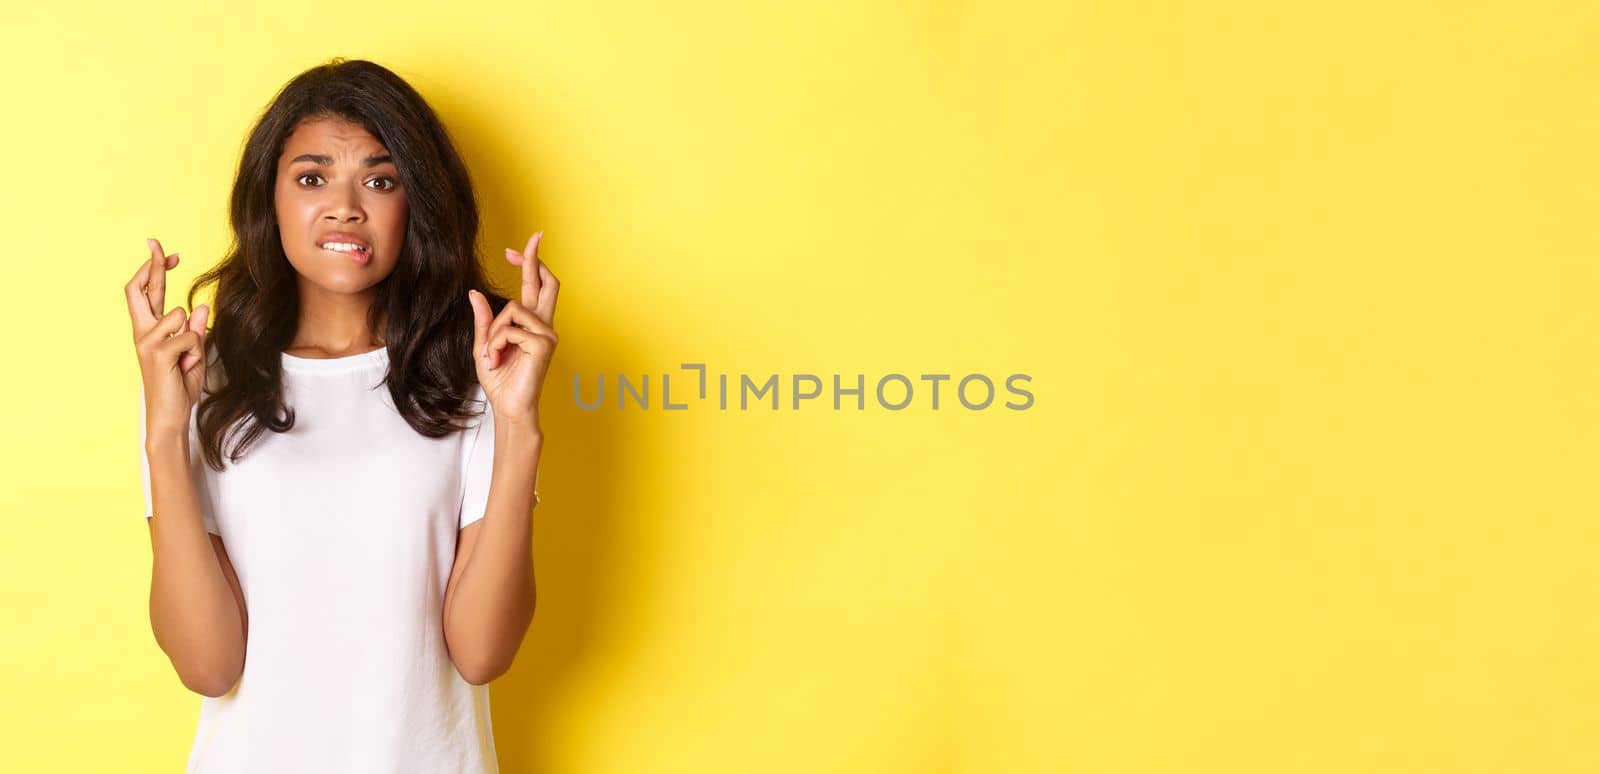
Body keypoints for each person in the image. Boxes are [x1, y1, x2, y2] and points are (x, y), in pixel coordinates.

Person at [125, 58, 559, 773]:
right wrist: (165, 432)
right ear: (269, 199)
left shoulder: (472, 375)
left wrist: (519, 424)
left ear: (415, 203)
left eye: (381, 181)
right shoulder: (202, 380)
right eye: (312, 177)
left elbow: (482, 654)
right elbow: (207, 666)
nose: (345, 206)